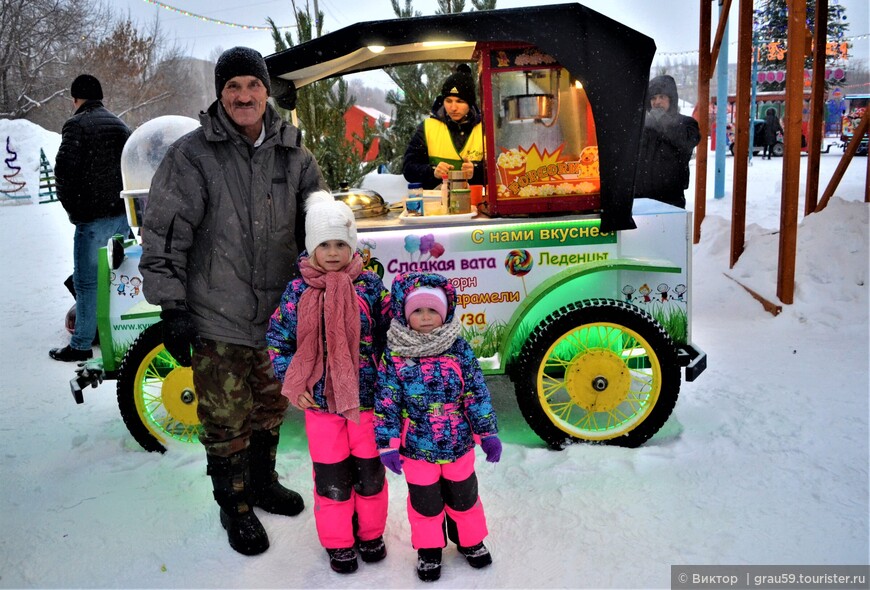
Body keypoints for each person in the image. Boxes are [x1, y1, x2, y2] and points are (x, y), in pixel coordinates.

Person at [139, 47, 327, 556]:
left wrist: (330, 279)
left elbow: (319, 228)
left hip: (279, 316)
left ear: (268, 91)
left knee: (271, 406)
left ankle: (262, 483)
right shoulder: (192, 155)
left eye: (252, 86)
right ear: (220, 95)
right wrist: (172, 308)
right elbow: (164, 235)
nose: (244, 96)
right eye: (232, 88)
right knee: (225, 418)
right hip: (216, 314)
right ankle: (235, 506)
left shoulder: (295, 154)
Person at [266, 191, 391, 574]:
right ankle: (338, 542)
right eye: (324, 245)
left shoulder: (369, 288)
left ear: (353, 246)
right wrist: (293, 380)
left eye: (341, 243)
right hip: (320, 405)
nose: (333, 252)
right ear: (311, 248)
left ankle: (370, 533)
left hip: (367, 401)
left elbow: (392, 332)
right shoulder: (297, 293)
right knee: (332, 478)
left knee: (370, 475)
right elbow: (278, 340)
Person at [374, 272, 501, 582]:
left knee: (464, 498)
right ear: (405, 314)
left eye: (432, 310)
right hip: (416, 447)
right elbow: (386, 401)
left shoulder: (459, 350)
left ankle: (470, 541)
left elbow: (476, 393)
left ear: (445, 313)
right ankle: (429, 549)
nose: (426, 317)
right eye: (417, 310)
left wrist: (487, 433)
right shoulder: (394, 355)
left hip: (458, 444)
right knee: (425, 504)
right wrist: (387, 443)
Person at [50, 74, 131, 362]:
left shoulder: (75, 125)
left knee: (87, 283)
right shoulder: (120, 124)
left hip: (93, 219)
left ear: (75, 98)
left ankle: (81, 344)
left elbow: (63, 172)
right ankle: (123, 335)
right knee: (118, 277)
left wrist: (75, 211)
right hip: (122, 215)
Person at [403, 64, 485, 190]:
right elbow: (409, 169)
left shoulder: (486, 129)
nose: (453, 108)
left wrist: (477, 171)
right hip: (437, 203)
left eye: (460, 101)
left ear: (470, 103)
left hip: (476, 203)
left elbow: (502, 169)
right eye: (448, 100)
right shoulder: (427, 127)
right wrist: (433, 172)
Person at [634, 74, 701, 209]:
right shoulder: (643, 126)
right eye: (653, 98)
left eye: (662, 97)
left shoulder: (687, 123)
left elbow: (687, 142)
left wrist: (664, 120)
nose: (657, 102)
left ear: (671, 99)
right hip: (640, 200)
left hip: (671, 201)